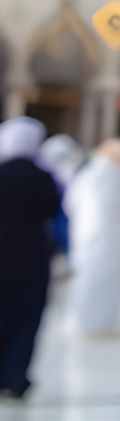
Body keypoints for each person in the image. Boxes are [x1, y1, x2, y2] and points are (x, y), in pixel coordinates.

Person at [0, 118, 62, 399]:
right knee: (27, 316)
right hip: (31, 256)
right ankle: (15, 377)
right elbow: (53, 208)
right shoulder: (41, 176)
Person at [66, 138, 120, 336]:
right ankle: (99, 323)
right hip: (111, 236)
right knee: (105, 280)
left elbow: (70, 204)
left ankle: (89, 321)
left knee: (89, 278)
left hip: (87, 234)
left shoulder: (88, 173)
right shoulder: (119, 177)